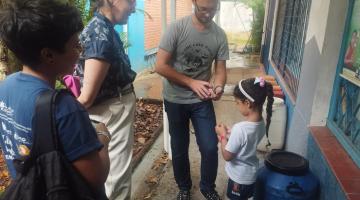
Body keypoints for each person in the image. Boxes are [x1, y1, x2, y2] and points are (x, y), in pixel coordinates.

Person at [0, 0, 110, 198]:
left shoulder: (6, 86)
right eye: (76, 45)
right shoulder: (64, 108)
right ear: (48, 55)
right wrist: (102, 136)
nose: (80, 52)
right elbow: (97, 176)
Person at [155, 0, 229, 199]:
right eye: (203, 9)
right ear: (194, 2)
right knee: (179, 147)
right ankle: (184, 187)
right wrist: (190, 82)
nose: (208, 14)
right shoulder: (177, 29)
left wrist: (219, 86)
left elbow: (220, 71)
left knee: (209, 146)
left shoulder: (219, 35)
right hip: (175, 99)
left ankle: (207, 187)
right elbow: (160, 66)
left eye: (213, 9)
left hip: (201, 101)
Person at [74, 0, 136, 199]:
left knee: (112, 175)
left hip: (110, 109)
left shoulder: (101, 27)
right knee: (117, 178)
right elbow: (86, 97)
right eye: (131, 2)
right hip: (112, 110)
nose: (134, 8)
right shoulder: (100, 34)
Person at [215, 77, 274, 200]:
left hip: (239, 178)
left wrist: (222, 136)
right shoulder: (261, 123)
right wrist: (230, 133)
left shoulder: (240, 129)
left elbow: (227, 155)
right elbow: (246, 139)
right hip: (251, 175)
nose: (237, 106)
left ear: (247, 103)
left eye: (237, 102)